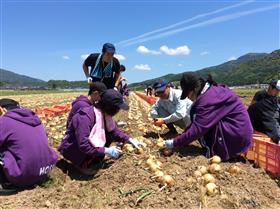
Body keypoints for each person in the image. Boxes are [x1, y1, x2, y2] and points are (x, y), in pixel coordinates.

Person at [164, 73, 253, 161]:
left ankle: (219, 151)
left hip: (235, 136)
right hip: (240, 132)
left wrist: (174, 143)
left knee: (205, 131)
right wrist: (182, 136)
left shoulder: (208, 100)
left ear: (195, 89)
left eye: (188, 94)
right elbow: (197, 122)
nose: (188, 97)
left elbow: (198, 129)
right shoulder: (211, 91)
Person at [58, 89, 143, 175]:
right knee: (100, 141)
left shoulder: (104, 115)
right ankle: (80, 164)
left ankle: (94, 158)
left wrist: (130, 139)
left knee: (109, 135)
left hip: (84, 146)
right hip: (74, 148)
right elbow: (84, 145)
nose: (118, 111)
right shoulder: (85, 117)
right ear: (110, 107)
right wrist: (106, 150)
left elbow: (114, 132)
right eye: (117, 108)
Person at [0, 99, 58, 194]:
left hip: (23, 176)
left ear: (2, 110)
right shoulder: (35, 118)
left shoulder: (4, 120)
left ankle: (5, 184)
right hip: (44, 171)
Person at [248, 80, 280, 144]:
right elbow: (252, 107)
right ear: (270, 87)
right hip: (260, 117)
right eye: (276, 90)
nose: (277, 92)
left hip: (267, 117)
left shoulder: (275, 97)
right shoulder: (260, 94)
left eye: (279, 91)